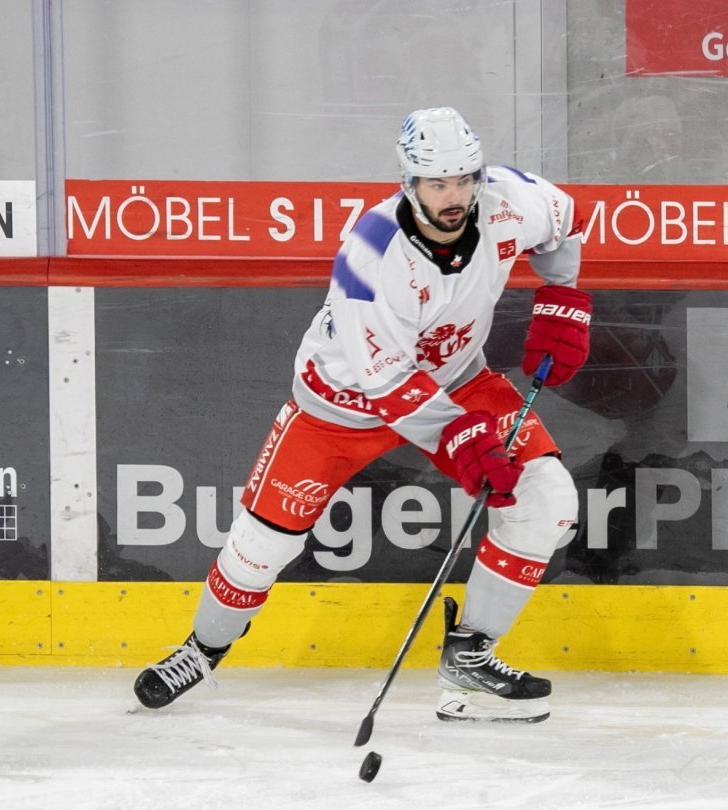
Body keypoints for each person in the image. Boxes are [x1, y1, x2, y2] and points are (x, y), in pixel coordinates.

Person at [133, 107, 591, 724]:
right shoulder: (371, 255)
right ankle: (202, 649)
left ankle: (470, 657)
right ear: (409, 183)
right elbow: (388, 385)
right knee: (259, 548)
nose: (454, 196)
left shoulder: (508, 197)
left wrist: (562, 299)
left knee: (548, 500)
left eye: (463, 179)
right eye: (437, 183)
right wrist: (462, 443)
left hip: (458, 379)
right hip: (341, 405)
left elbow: (571, 219)